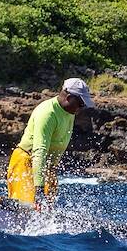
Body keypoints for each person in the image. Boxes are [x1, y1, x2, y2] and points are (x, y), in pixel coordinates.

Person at [6, 78, 95, 208]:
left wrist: (51, 170)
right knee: (28, 206)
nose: (82, 108)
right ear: (69, 98)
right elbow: (39, 151)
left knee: (45, 209)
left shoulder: (69, 110)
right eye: (81, 104)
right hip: (27, 162)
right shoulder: (48, 114)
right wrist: (39, 187)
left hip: (46, 167)